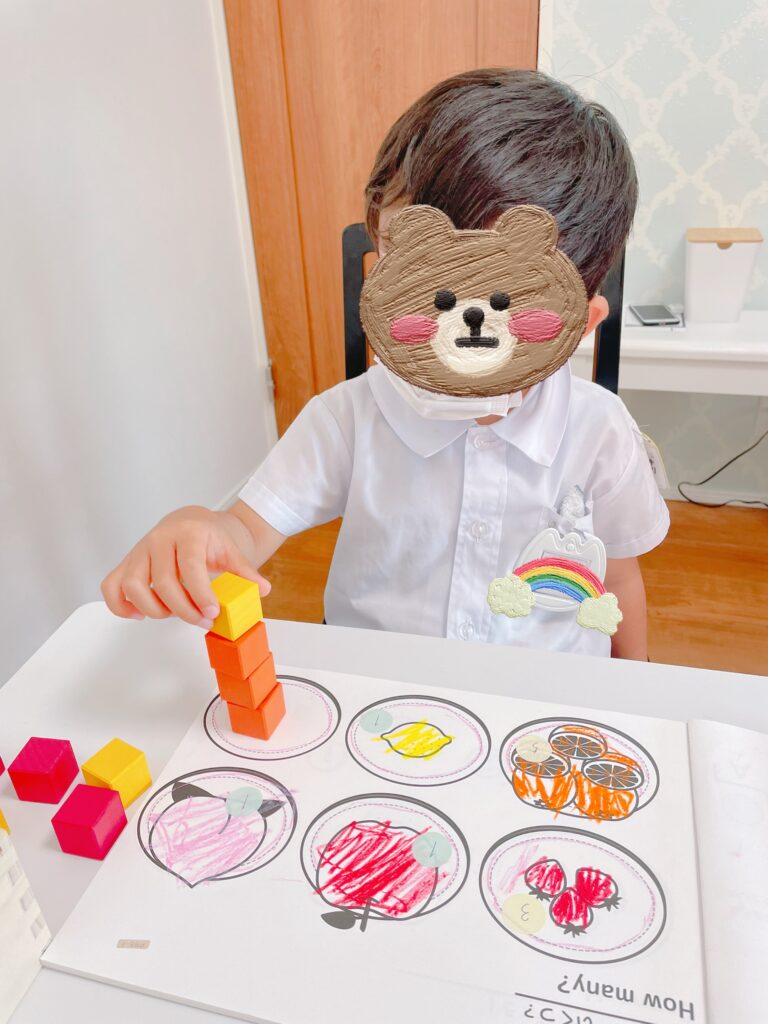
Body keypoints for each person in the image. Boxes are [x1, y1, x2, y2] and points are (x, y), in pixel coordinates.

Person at [101, 69, 667, 660]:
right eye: (415, 271)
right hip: (378, 680)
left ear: (578, 322)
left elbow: (619, 576)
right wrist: (202, 529)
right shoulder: (350, 418)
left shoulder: (601, 431)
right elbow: (245, 528)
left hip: (539, 689)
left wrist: (634, 684)